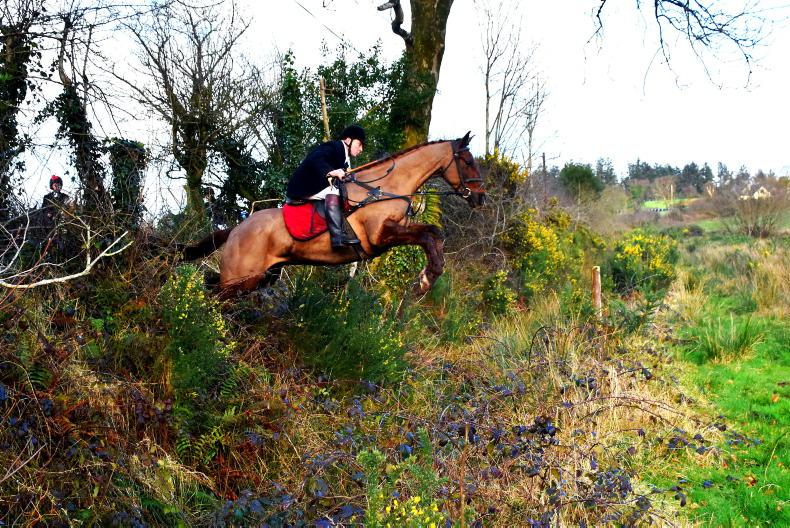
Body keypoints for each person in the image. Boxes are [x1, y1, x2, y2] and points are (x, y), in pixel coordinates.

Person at [285, 124, 365, 248]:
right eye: (359, 144)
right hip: (302, 187)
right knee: (334, 191)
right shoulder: (333, 147)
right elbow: (316, 160)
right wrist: (332, 172)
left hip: (314, 185)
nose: (361, 149)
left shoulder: (344, 155)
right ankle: (337, 237)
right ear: (348, 140)